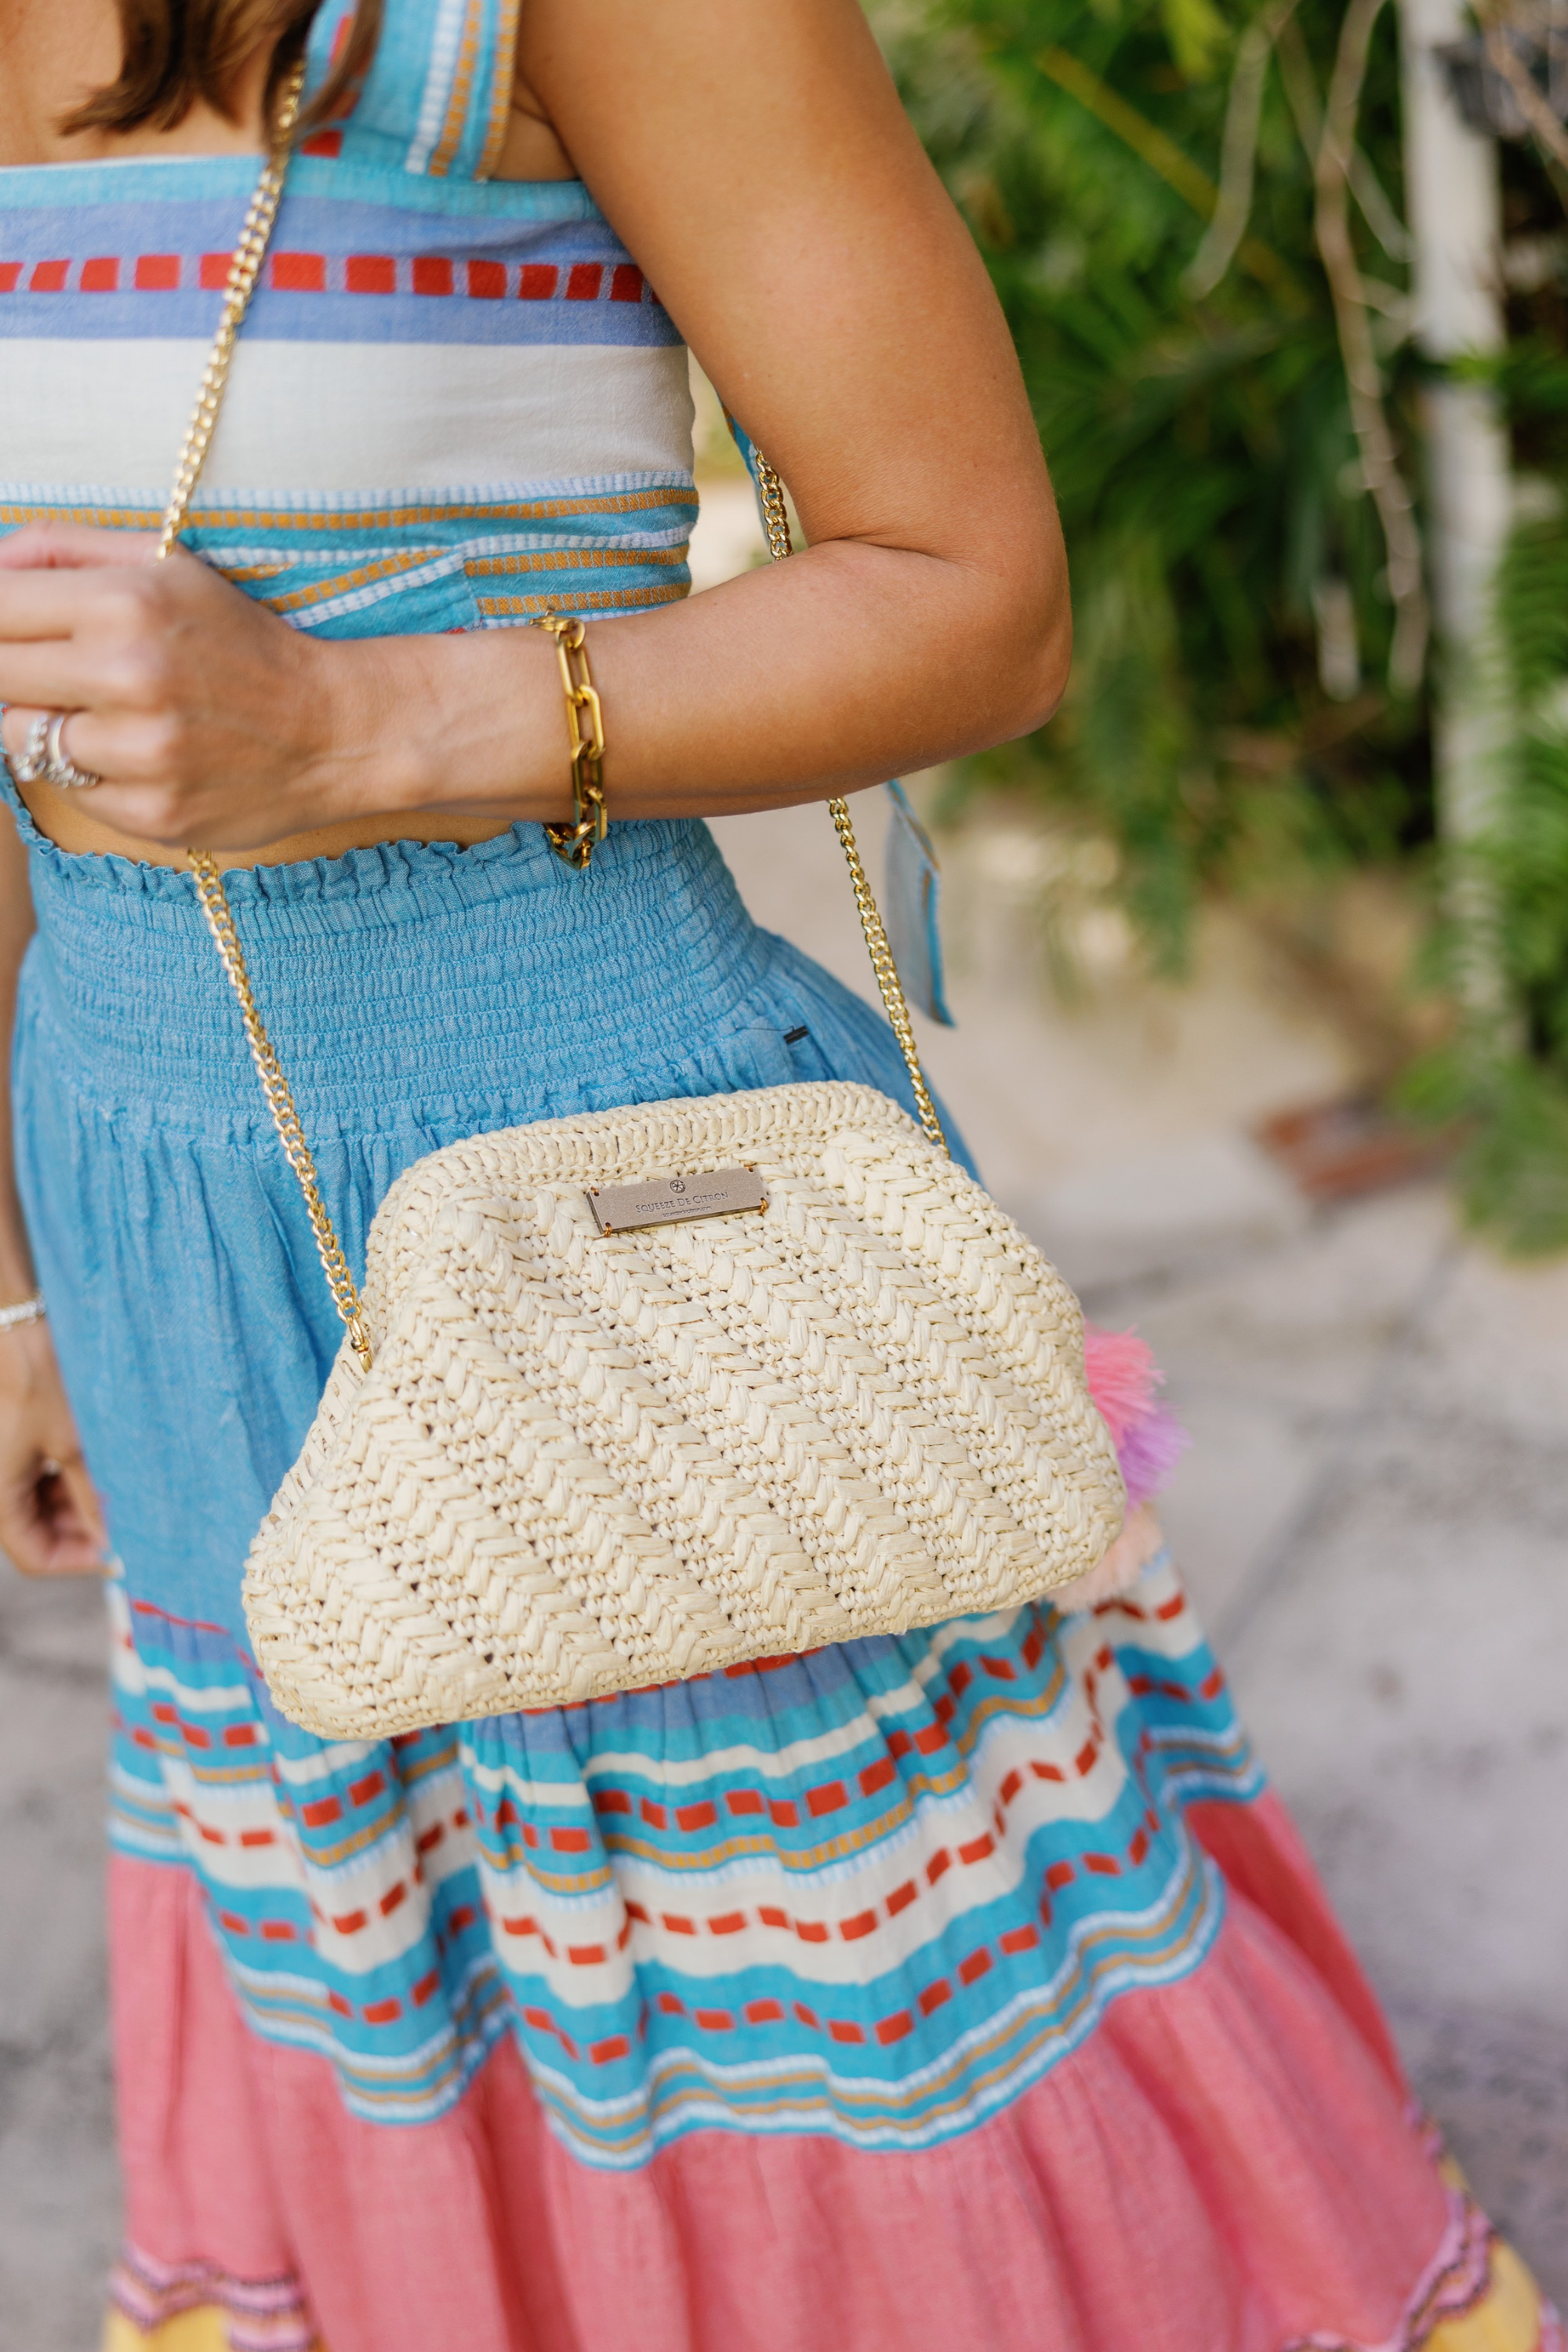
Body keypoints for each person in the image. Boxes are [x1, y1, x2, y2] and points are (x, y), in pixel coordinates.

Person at [0, 4, 1555, 2347]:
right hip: (153, 1214)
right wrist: (12, 1285)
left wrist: (362, 724)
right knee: (388, 1960)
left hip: (600, 1204)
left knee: (810, 2001)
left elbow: (974, 586)